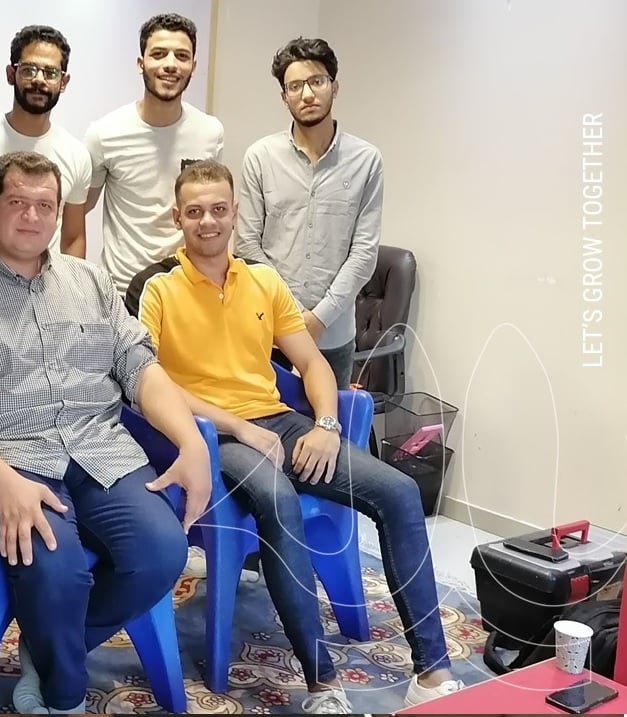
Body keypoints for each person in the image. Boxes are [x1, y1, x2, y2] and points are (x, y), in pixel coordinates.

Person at [0, 151, 212, 714]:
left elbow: (140, 366)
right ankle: (64, 696)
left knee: (162, 552)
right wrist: (2, 482)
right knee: (57, 573)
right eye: (17, 202)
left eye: (45, 205)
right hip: (5, 459)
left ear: (60, 212)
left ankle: (50, 648)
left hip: (100, 450)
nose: (32, 217)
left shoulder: (90, 280)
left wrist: (192, 443)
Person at [129, 159, 464, 712]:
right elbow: (151, 384)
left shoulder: (263, 281)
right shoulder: (159, 291)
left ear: (234, 213)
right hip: (215, 436)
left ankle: (432, 670)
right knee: (279, 499)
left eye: (218, 209)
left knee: (400, 492)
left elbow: (311, 364)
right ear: (177, 218)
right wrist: (237, 427)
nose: (208, 221)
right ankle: (321, 684)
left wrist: (327, 425)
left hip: (280, 422)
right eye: (195, 212)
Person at [235, 37, 384, 389]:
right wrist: (293, 315)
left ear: (335, 86)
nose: (307, 94)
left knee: (329, 421)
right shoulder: (260, 157)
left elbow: (364, 253)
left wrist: (318, 318)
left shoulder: (366, 161)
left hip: (334, 335)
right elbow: (247, 245)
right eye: (295, 86)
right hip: (270, 332)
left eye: (317, 81)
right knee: (265, 420)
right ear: (283, 96)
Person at [85, 12, 224, 294]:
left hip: (186, 289)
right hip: (122, 292)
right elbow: (78, 209)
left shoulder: (209, 132)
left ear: (193, 66)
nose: (170, 64)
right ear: (141, 63)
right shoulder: (105, 133)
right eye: (159, 54)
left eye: (182, 56)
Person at [0, 25, 91, 257]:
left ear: (63, 82)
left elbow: (73, 239)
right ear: (11, 74)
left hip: (46, 279)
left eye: (51, 73)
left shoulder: (76, 155)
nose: (39, 80)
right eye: (29, 70)